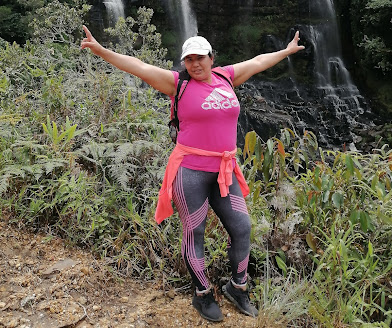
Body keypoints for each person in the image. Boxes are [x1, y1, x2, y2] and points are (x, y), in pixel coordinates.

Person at [81, 26, 304, 322]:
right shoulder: (177, 84)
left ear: (212, 58)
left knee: (242, 227)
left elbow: (258, 61)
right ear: (184, 62)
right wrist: (101, 50)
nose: (195, 64)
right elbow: (139, 66)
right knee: (193, 233)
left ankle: (237, 288)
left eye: (200, 58)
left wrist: (286, 51)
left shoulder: (227, 76)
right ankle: (202, 294)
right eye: (189, 59)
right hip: (191, 172)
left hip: (224, 170)